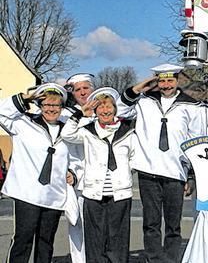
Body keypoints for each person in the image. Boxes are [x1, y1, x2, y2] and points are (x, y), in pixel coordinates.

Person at [117, 64, 207, 262]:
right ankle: (153, 259)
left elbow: (198, 141)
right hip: (148, 170)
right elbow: (120, 109)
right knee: (151, 223)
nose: (166, 85)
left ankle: (171, 259)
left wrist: (191, 175)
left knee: (174, 225)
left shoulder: (192, 106)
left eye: (170, 80)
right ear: (156, 81)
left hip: (176, 172)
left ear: (177, 80)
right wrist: (139, 88)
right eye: (162, 81)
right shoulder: (144, 102)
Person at [0, 83, 73, 263]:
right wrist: (25, 98)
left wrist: (73, 172)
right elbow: (1, 111)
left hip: (54, 195)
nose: (51, 109)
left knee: (46, 242)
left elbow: (77, 157)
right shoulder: (24, 123)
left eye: (56, 105)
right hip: (27, 193)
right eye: (46, 104)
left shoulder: (69, 129)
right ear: (39, 106)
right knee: (23, 240)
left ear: (62, 107)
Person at [62, 87, 136, 263]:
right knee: (95, 237)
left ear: (115, 109)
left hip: (120, 193)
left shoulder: (127, 130)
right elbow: (67, 134)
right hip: (94, 192)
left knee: (118, 237)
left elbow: (134, 157)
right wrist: (80, 114)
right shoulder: (88, 131)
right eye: (100, 107)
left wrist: (124, 173)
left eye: (109, 106)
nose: (105, 111)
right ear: (95, 111)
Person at [63, 73, 95, 263]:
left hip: (99, 177)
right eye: (78, 90)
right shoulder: (67, 115)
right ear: (73, 93)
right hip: (77, 177)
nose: (83, 92)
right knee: (76, 222)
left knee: (98, 224)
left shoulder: (104, 110)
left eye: (86, 88)